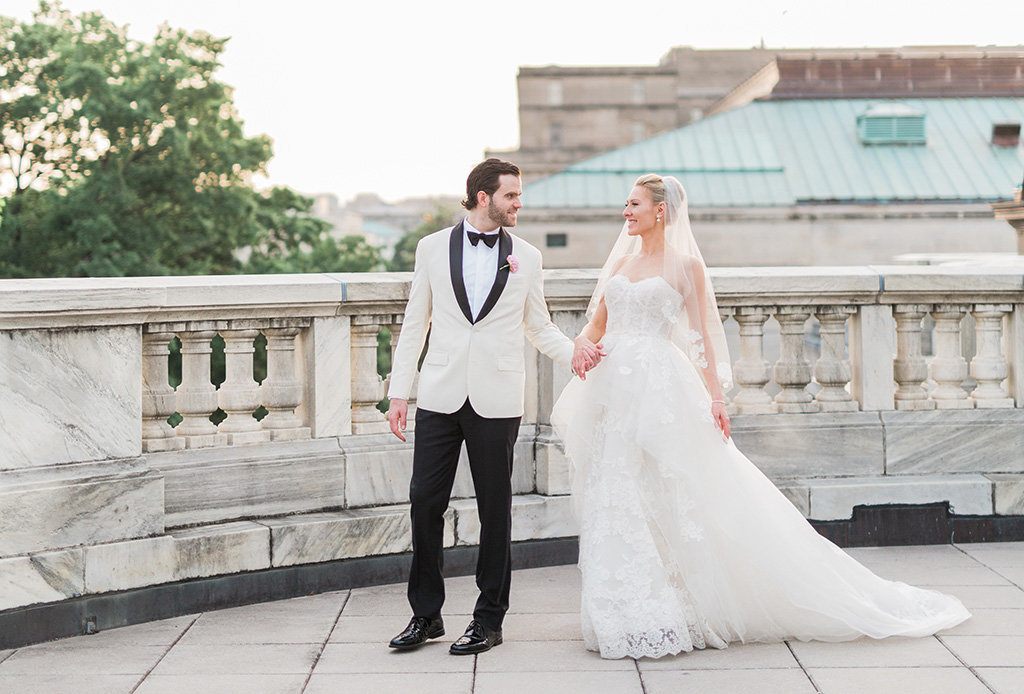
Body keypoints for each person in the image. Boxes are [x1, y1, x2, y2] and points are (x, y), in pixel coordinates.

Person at [551, 173, 971, 660]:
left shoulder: (686, 265)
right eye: (626, 204)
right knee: (617, 491)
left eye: (633, 204)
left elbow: (704, 340)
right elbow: (596, 326)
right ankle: (623, 610)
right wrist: (582, 344)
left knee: (674, 488)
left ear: (660, 210)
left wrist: (715, 399)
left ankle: (681, 603)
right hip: (614, 390)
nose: (626, 212)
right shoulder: (622, 262)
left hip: (660, 387)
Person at [385, 159, 601, 655]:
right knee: (424, 502)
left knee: (495, 509)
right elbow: (415, 323)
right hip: (439, 395)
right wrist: (400, 393)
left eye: (519, 195)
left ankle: (488, 620)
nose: (518, 203)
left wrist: (576, 353)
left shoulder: (526, 255)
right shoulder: (432, 247)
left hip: (497, 398)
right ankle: (426, 616)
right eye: (511, 196)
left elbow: (539, 325)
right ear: (483, 196)